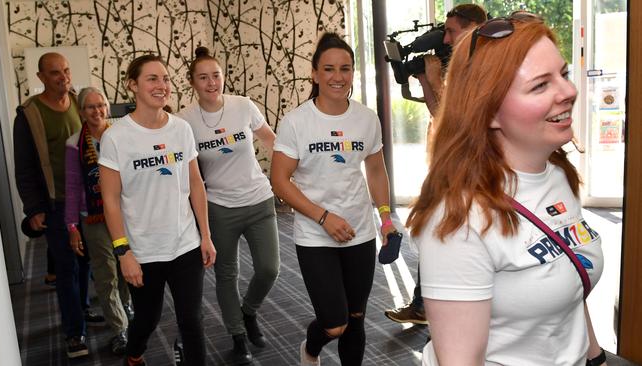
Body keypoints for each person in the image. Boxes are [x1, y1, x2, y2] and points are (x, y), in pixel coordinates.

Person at [407, 15, 605, 365]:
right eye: (540, 85)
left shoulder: (557, 174)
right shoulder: (459, 220)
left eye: (564, 74)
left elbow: (571, 284)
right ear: (489, 113)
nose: (569, 92)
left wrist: (596, 357)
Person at [271, 32, 396, 366]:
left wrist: (385, 218)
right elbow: (280, 181)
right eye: (328, 69)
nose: (337, 77)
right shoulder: (297, 122)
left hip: (359, 231)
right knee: (335, 323)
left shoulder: (366, 119)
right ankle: (310, 350)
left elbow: (376, 170)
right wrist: (324, 217)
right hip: (315, 235)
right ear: (314, 74)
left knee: (355, 317)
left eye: (345, 68)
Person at [99, 54, 216, 366]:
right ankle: (134, 355)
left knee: (192, 321)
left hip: (185, 244)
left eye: (165, 78)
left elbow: (195, 184)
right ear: (132, 85)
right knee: (148, 320)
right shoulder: (116, 137)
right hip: (143, 250)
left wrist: (205, 235)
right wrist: (123, 252)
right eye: (152, 79)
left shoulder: (181, 129)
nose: (162, 85)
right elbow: (110, 200)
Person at [384, 3, 487, 326]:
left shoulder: (481, 68)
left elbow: (458, 123)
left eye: (452, 31)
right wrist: (426, 81)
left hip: (470, 169)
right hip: (447, 163)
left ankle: (441, 312)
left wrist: (437, 83)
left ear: (473, 28)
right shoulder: (456, 62)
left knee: (449, 237)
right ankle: (422, 305)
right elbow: (437, 114)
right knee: (434, 233)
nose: (445, 38)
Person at [178, 46, 280, 365]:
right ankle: (238, 337)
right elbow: (187, 172)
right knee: (226, 274)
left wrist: (295, 168)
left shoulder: (243, 106)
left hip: (258, 198)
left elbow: (269, 138)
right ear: (193, 83)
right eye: (204, 78)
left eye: (216, 76)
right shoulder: (185, 121)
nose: (212, 83)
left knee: (269, 269)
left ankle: (248, 312)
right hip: (219, 206)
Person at [13, 52, 100, 358]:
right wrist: (33, 208)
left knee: (86, 260)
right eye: (54, 73)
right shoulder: (29, 114)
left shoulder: (79, 102)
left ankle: (82, 309)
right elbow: (23, 167)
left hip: (87, 198)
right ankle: (74, 332)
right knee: (66, 266)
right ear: (40, 78)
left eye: (65, 70)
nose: (63, 77)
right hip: (55, 202)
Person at [64, 86, 132, 355]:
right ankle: (120, 330)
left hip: (125, 213)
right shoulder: (73, 144)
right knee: (106, 273)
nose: (97, 111)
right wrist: (71, 226)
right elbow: (71, 187)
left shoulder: (122, 136)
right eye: (90, 107)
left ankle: (125, 307)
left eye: (101, 105)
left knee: (127, 265)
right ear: (81, 112)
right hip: (92, 217)